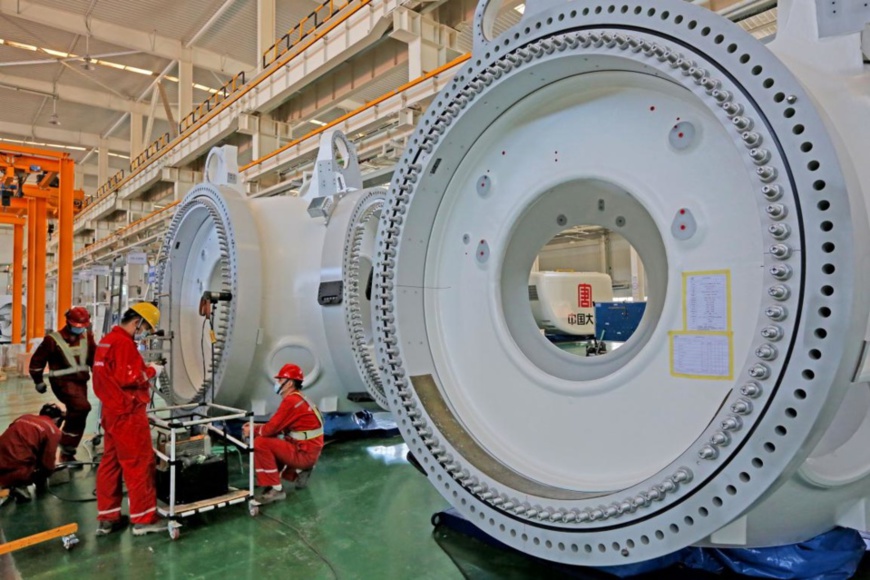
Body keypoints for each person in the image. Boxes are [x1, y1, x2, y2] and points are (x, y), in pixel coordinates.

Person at [92, 302, 165, 536]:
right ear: (137, 323)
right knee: (139, 463)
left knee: (110, 464)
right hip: (128, 413)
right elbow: (131, 376)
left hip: (111, 412)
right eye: (145, 328)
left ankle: (108, 516)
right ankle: (144, 519)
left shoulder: (106, 341)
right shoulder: (123, 344)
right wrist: (153, 370)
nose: (144, 333)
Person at [245, 364, 324, 505]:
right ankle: (301, 470)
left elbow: (270, 429)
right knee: (270, 437)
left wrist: (253, 430)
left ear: (290, 383)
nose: (277, 383)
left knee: (261, 442)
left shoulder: (291, 401)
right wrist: (258, 427)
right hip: (309, 451)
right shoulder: (300, 399)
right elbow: (279, 426)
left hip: (304, 454)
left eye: (280, 380)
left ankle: (276, 489)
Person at [29, 306, 96, 462]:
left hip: (80, 382)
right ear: (68, 322)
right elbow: (37, 361)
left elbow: (94, 357)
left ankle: (66, 444)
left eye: (83, 327)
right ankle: (66, 444)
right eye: (77, 326)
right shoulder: (53, 340)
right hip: (62, 382)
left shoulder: (88, 337)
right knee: (82, 407)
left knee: (78, 412)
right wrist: (38, 381)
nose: (80, 330)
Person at [0, 403, 64, 502]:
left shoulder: (24, 417)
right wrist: (45, 476)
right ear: (57, 419)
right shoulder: (53, 430)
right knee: (37, 469)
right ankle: (16, 484)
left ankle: (9, 483)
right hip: (17, 467)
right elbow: (48, 463)